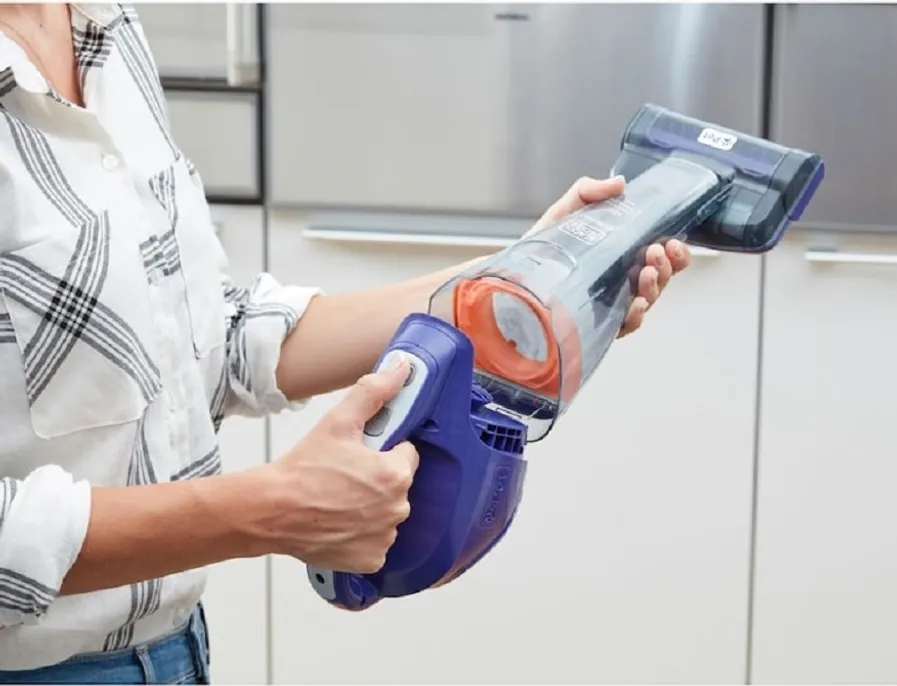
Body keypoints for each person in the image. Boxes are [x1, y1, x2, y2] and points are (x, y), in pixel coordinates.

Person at [0, 3, 692, 683]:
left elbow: (204, 338)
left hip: (176, 651)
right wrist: (275, 507)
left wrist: (510, 279)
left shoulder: (102, 23)